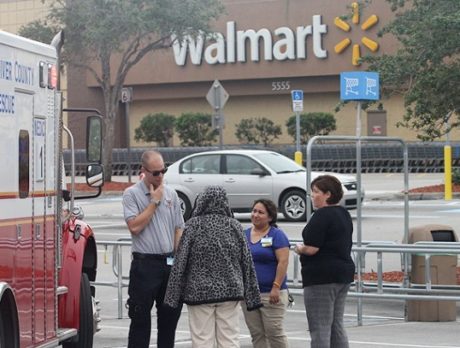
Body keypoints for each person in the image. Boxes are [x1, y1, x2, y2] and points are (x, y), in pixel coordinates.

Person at [164, 185, 262, 348]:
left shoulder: (193, 226)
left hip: (199, 293)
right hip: (231, 291)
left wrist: (172, 296)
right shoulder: (235, 226)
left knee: (202, 339)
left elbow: (180, 261)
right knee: (229, 339)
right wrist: (252, 296)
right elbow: (247, 261)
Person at [122, 150, 185, 348]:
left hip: (168, 262)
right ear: (144, 171)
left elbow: (178, 228)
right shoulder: (131, 194)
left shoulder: (172, 194)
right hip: (145, 264)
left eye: (163, 171)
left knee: (168, 319)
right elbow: (135, 227)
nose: (160, 177)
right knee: (140, 319)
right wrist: (154, 201)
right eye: (155, 173)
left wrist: (177, 258)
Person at [294, 174, 355, 348]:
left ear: (327, 194)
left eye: (315, 192)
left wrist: (299, 249)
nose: (312, 196)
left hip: (321, 277)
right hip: (343, 273)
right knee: (336, 324)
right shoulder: (343, 214)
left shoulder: (321, 216)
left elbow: (312, 248)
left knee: (319, 326)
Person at [242, 199, 290, 348]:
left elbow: (283, 262)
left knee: (274, 332)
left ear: (270, 217)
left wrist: (276, 286)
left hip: (271, 294)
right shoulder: (244, 234)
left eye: (260, 212)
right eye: (254, 211)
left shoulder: (277, 235)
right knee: (257, 335)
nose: (255, 215)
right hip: (250, 295)